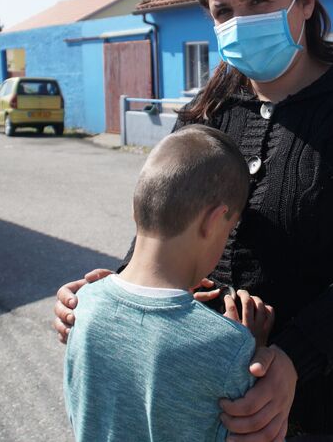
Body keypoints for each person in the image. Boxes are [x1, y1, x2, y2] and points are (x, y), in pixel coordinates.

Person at [55, 0, 333, 441]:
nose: (241, 21)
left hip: (331, 408)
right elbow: (167, 218)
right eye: (224, 12)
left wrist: (293, 359)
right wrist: (111, 292)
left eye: (258, 1)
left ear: (304, 0)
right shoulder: (208, 112)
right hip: (206, 398)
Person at [63, 124, 276, 442]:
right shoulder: (227, 346)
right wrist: (250, 349)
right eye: (229, 230)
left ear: (137, 207)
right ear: (213, 221)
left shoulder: (84, 306)